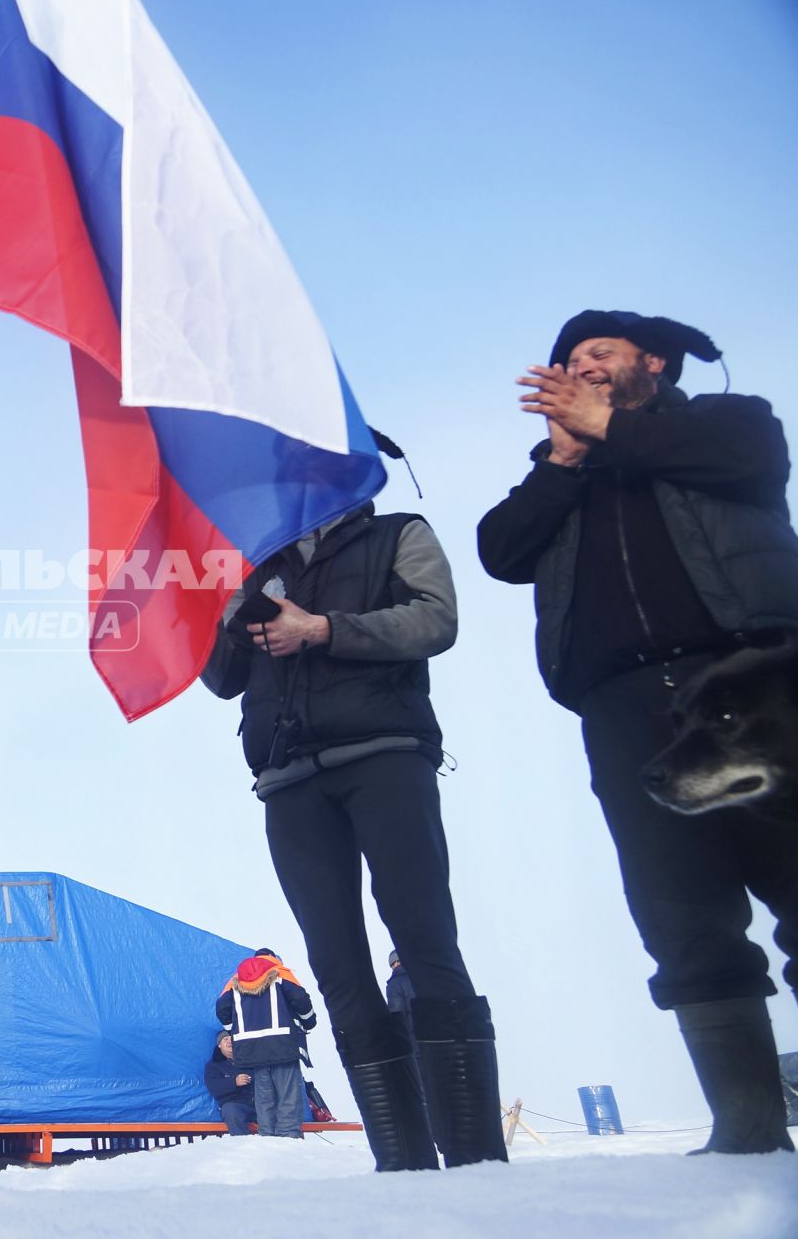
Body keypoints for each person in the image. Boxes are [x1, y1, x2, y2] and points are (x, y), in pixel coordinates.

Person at [479, 309, 798, 1155]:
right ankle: (747, 1125)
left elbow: (750, 464)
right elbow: (500, 549)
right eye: (568, 359)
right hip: (627, 708)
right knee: (681, 915)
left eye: (600, 351)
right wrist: (564, 455)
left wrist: (611, 430)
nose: (582, 364)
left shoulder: (727, 425)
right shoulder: (561, 473)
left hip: (755, 680)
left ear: (652, 363)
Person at [202, 489, 507, 1170]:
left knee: (422, 936)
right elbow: (222, 679)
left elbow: (436, 621)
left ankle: (475, 1155)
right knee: (336, 963)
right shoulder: (257, 567)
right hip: (287, 778)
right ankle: (400, 1159)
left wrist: (322, 629)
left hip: (384, 755)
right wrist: (221, 606)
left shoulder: (399, 534)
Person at [214, 950, 316, 1138]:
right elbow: (301, 999)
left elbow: (222, 1007)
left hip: (252, 1049)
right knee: (287, 1093)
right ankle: (288, 1135)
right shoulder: (279, 972)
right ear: (273, 958)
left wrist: (233, 1030)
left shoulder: (236, 978)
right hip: (282, 1043)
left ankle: (267, 1135)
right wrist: (309, 1022)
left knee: (264, 1094)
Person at [203, 1032, 255, 1136]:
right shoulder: (213, 1065)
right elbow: (214, 1087)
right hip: (236, 1105)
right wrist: (234, 1082)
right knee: (230, 1111)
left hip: (260, 1104)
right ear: (219, 1045)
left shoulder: (251, 1060)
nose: (229, 1041)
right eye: (225, 1039)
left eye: (232, 1038)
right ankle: (244, 1147)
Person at [384, 950, 415, 1044]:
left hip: (413, 1037)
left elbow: (397, 1014)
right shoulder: (419, 976)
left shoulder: (394, 984)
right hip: (434, 1033)